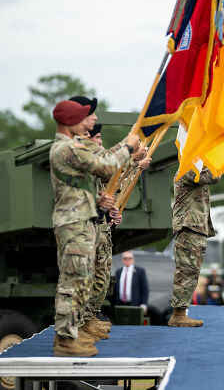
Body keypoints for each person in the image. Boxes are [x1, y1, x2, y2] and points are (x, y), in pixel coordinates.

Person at [49, 99, 139, 356]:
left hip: (80, 220)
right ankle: (65, 340)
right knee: (72, 282)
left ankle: (72, 334)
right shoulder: (67, 148)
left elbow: (75, 185)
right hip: (74, 224)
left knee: (81, 281)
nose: (87, 123)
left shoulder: (68, 147)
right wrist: (128, 145)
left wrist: (96, 200)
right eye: (81, 119)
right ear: (69, 123)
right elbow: (107, 166)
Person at [81, 121, 152, 340]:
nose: (101, 142)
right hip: (88, 226)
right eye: (98, 137)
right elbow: (108, 175)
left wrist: (111, 210)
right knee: (90, 277)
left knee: (101, 277)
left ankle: (90, 318)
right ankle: (83, 324)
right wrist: (132, 157)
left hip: (100, 226)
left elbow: (110, 184)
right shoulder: (83, 156)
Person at [168, 166, 220, 327]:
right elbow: (212, 177)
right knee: (187, 269)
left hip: (194, 227)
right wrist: (222, 159)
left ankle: (181, 312)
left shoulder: (193, 169)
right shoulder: (187, 169)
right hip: (189, 227)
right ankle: (178, 314)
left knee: (192, 270)